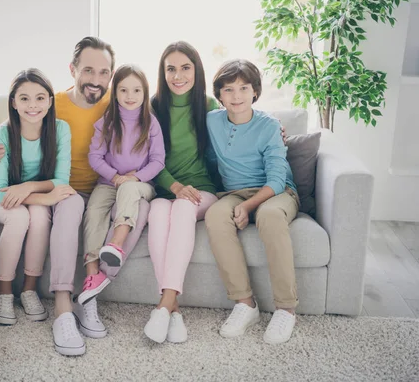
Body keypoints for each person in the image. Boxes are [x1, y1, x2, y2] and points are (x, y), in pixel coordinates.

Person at [0, 37, 150, 348]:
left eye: (103, 72)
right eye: (88, 70)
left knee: (138, 208)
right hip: (64, 190)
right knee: (70, 207)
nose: (95, 80)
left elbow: (149, 127)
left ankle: (91, 293)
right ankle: (62, 309)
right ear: (72, 69)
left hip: (105, 189)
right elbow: (13, 125)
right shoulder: (52, 102)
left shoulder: (119, 103)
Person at [0, 68, 85, 355]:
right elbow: (0, 192)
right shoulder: (2, 133)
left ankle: (29, 289)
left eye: (39, 98)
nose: (32, 105)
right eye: (24, 98)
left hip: (22, 192)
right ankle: (4, 293)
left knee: (37, 216)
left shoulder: (60, 129)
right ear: (13, 102)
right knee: (21, 215)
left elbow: (61, 179)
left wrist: (28, 189)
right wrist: (44, 198)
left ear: (50, 100)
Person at [204, 59, 300, 345]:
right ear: (218, 95)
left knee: (269, 216)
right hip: (234, 191)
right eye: (229, 89)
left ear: (255, 91)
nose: (237, 96)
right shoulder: (211, 120)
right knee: (215, 216)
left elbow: (276, 180)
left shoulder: (269, 125)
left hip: (278, 192)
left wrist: (247, 207)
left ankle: (286, 309)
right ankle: (245, 304)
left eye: (244, 88)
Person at [143, 41, 220, 344]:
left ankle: (163, 305)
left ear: (196, 70)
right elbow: (147, 157)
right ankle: (173, 312)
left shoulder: (210, 105)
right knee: (159, 212)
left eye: (185, 68)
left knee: (184, 208)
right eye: (171, 69)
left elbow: (240, 126)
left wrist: (276, 128)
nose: (178, 75)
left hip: (203, 191)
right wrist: (173, 186)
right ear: (162, 73)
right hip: (165, 191)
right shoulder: (152, 106)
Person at [78, 64, 165, 305]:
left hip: (141, 184)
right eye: (124, 90)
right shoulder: (106, 122)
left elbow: (158, 161)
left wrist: (134, 178)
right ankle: (92, 273)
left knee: (128, 189)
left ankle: (116, 245)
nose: (130, 96)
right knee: (94, 209)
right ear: (114, 92)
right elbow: (95, 157)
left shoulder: (151, 124)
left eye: (137, 91)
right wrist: (115, 177)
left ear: (145, 93)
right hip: (109, 182)